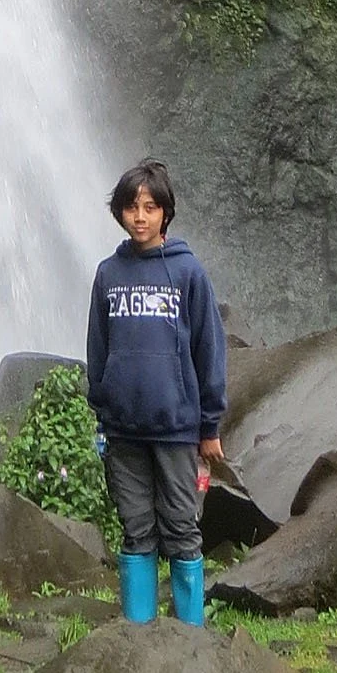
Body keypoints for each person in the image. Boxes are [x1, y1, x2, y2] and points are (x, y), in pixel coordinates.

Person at [86, 157, 227, 629]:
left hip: (176, 428)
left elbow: (209, 350)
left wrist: (209, 426)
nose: (140, 216)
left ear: (166, 212)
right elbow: (98, 349)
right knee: (136, 529)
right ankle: (139, 633)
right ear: (120, 213)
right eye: (131, 207)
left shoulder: (188, 274)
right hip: (123, 430)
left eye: (150, 207)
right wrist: (102, 409)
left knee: (183, 528)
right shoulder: (108, 274)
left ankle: (190, 635)